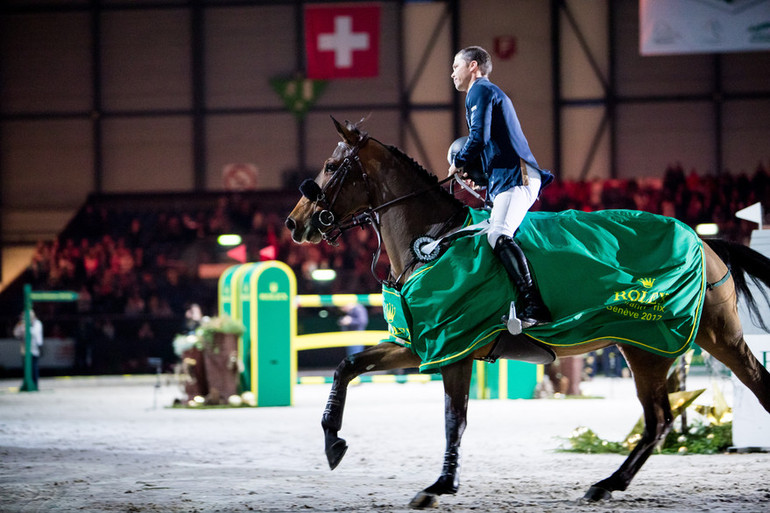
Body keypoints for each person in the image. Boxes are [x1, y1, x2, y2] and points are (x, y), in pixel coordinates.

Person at [448, 46, 553, 330]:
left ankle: (535, 306)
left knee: (498, 233)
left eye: (455, 66)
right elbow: (490, 149)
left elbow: (479, 138)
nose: (451, 73)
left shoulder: (479, 90)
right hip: (507, 178)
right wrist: (477, 178)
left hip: (518, 176)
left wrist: (457, 162)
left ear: (472, 66)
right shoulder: (483, 93)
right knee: (487, 234)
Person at [14, 310, 44, 389]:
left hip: (34, 349)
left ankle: (35, 385)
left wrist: (27, 327)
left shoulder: (37, 323)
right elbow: (16, 333)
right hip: (25, 349)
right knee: (26, 368)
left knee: (34, 368)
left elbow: (34, 333)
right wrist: (21, 326)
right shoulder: (22, 323)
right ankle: (27, 383)